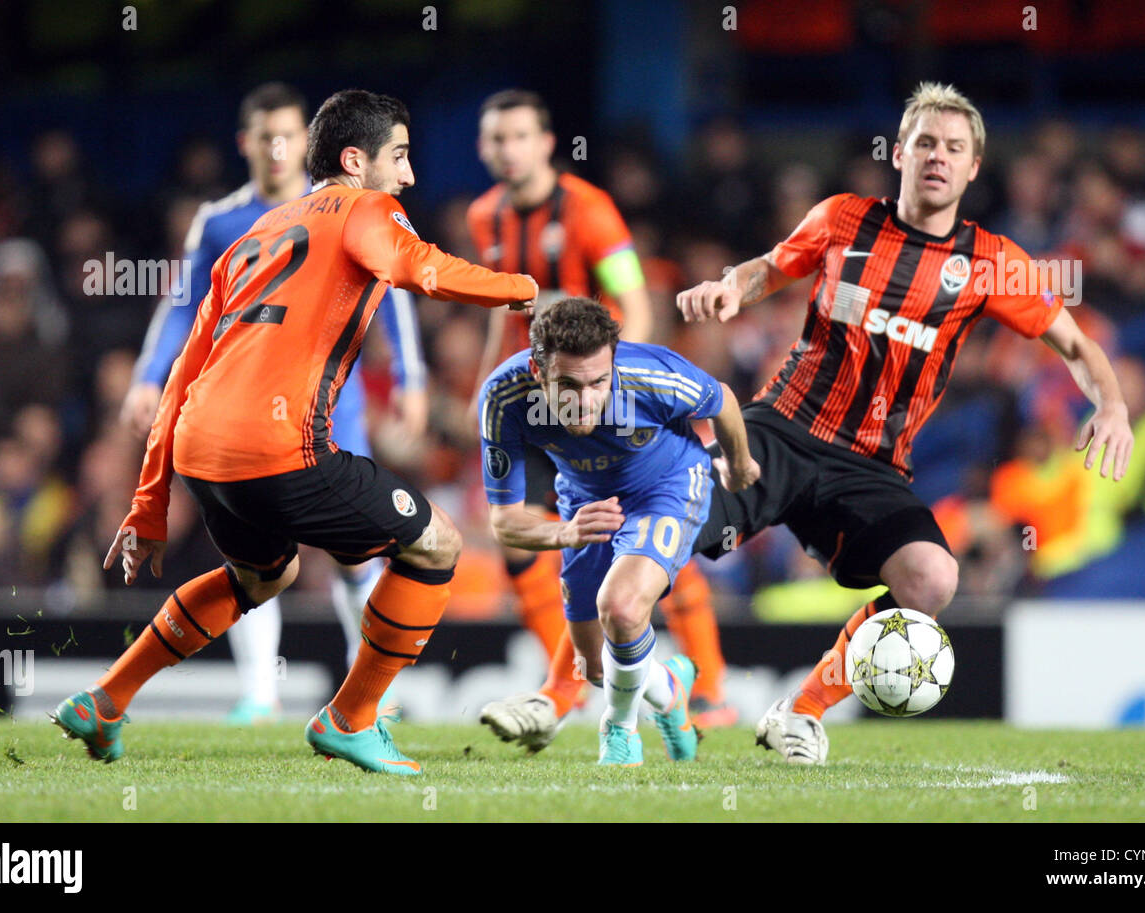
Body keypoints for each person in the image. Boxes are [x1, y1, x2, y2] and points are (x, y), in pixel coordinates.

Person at [52, 88, 537, 775]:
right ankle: (351, 717)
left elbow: (181, 376)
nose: (409, 175)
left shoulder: (254, 235)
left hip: (200, 449)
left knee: (264, 572)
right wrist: (522, 287)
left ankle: (106, 698)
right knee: (435, 544)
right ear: (353, 159)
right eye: (399, 156)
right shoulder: (368, 208)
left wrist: (148, 502)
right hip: (277, 448)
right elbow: (419, 267)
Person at [679, 82, 1134, 764]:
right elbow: (769, 269)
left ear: (974, 166)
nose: (938, 157)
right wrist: (728, 286)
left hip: (870, 467)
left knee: (932, 579)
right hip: (780, 430)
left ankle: (799, 712)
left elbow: (1076, 345)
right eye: (925, 143)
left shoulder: (992, 262)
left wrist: (1114, 403)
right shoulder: (842, 219)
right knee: (670, 523)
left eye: (955, 147)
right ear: (899, 151)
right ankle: (606, 688)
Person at [122, 82, 428, 724]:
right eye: (267, 135)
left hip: (331, 404)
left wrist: (411, 377)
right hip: (250, 412)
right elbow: (184, 307)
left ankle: (369, 688)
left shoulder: (348, 206)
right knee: (256, 557)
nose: (279, 147)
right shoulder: (223, 220)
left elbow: (396, 288)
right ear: (248, 144)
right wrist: (150, 375)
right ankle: (260, 693)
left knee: (357, 551)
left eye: (290, 133)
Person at [470, 90, 736, 746]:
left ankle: (703, 690)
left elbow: (630, 297)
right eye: (497, 139)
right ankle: (573, 682)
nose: (508, 150)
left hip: (595, 395)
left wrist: (617, 391)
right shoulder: (486, 217)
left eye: (520, 136)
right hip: (531, 401)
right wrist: (483, 385)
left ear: (547, 142)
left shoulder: (588, 209)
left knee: (646, 544)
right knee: (520, 542)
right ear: (484, 149)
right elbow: (497, 314)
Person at [478, 298, 757, 764]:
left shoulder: (653, 375)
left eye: (598, 382)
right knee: (594, 667)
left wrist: (739, 463)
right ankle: (667, 690)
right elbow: (504, 522)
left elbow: (723, 400)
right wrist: (565, 534)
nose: (585, 402)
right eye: (567, 385)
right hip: (585, 503)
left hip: (667, 487)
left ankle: (619, 729)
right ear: (536, 370)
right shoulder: (504, 397)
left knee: (622, 608)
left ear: (613, 361)